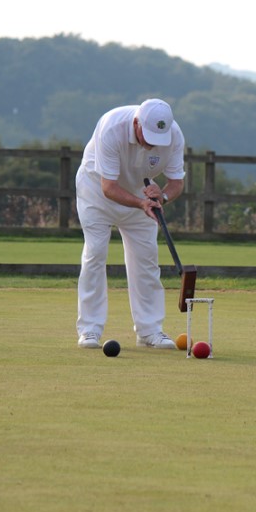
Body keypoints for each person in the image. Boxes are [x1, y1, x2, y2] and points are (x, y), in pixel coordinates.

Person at [75, 98, 185, 349]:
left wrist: (162, 197)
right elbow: (109, 187)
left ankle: (150, 331)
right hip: (96, 192)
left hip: (140, 195)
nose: (152, 144)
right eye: (147, 136)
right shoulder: (112, 127)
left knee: (146, 259)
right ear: (136, 123)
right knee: (95, 254)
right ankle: (89, 329)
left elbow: (176, 182)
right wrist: (141, 203)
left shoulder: (174, 136)